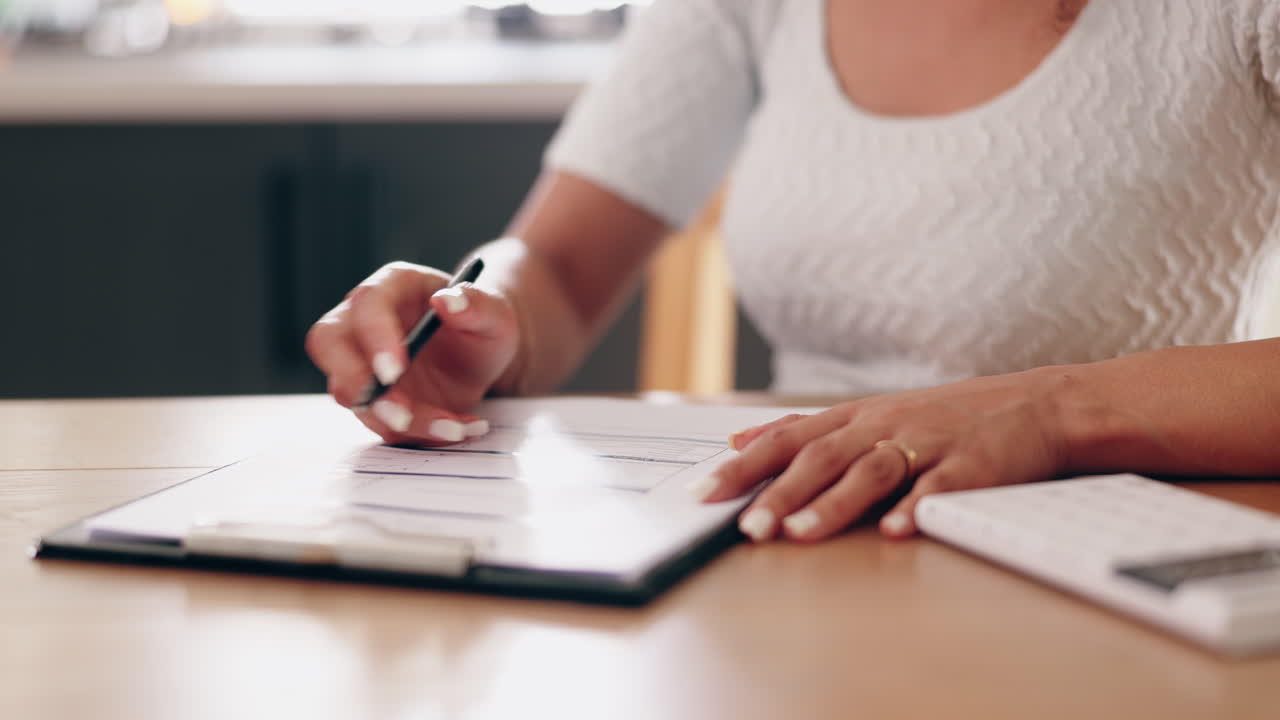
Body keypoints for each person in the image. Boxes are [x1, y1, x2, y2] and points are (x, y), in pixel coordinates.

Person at [306, 0, 1280, 544]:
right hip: (797, 539)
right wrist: (486, 312)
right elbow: (558, 266)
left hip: (1125, 551)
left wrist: (1049, 412)